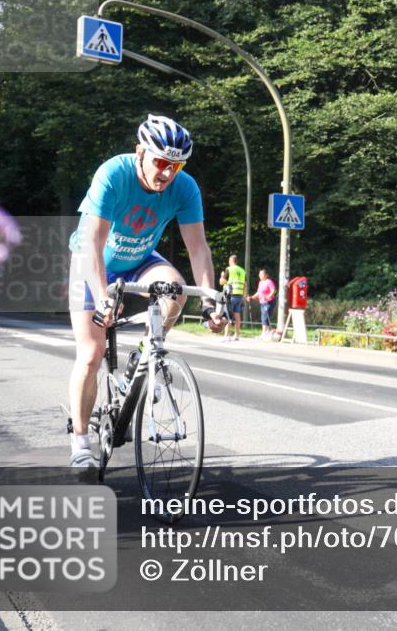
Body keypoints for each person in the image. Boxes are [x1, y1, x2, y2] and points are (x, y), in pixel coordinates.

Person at [67, 114, 226, 470]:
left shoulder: (185, 188)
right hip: (94, 261)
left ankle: (147, 358)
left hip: (140, 259)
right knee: (91, 353)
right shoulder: (114, 174)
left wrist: (210, 298)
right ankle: (79, 442)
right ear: (140, 152)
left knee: (176, 288)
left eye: (177, 165)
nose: (168, 174)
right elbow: (93, 241)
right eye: (162, 163)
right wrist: (102, 295)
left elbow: (198, 249)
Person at [219, 255, 246, 341]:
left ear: (231, 261)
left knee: (227, 315)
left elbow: (222, 282)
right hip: (239, 295)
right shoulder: (242, 270)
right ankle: (237, 335)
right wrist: (244, 296)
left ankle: (227, 335)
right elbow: (245, 284)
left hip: (230, 295)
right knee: (237, 315)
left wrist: (222, 276)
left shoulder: (229, 269)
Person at [247, 269, 277, 340]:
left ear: (266, 275)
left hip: (269, 302)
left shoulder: (269, 281)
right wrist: (252, 297)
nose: (260, 275)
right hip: (262, 302)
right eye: (259, 274)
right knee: (264, 317)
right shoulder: (260, 282)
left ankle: (264, 334)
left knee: (265, 317)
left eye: (262, 274)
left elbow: (273, 290)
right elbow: (259, 292)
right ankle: (267, 333)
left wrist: (268, 297)